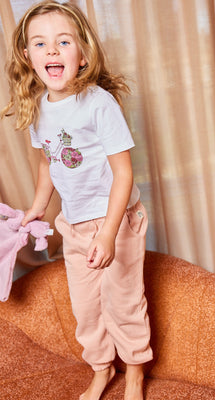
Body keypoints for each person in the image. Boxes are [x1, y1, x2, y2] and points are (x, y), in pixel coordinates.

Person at [1, 1, 153, 399]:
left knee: (123, 302)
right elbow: (47, 161)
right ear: (26, 55)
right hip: (75, 225)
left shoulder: (98, 103)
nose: (51, 50)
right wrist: (37, 206)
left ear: (82, 55)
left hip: (116, 221)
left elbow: (124, 174)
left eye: (63, 41)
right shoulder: (37, 109)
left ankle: (135, 372)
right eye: (40, 43)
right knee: (86, 308)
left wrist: (107, 234)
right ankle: (102, 368)